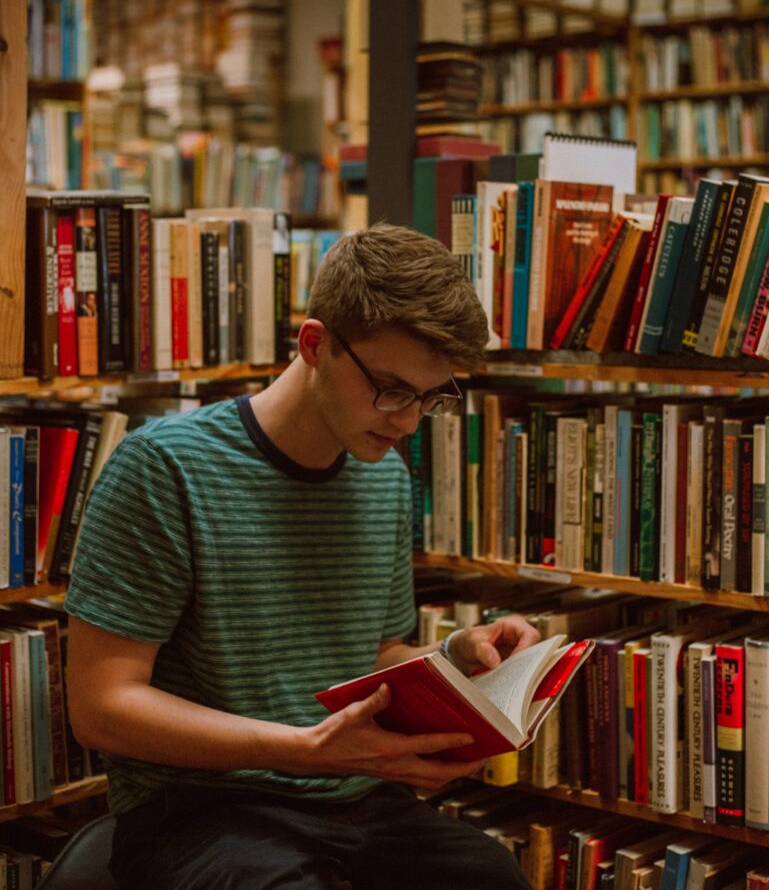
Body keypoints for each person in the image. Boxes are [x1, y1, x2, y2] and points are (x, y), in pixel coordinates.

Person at [66, 222, 540, 890]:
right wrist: (302, 750)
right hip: (201, 809)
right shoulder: (164, 467)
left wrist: (458, 658)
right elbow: (100, 706)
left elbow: (374, 656)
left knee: (495, 878)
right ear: (313, 344)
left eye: (431, 397)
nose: (407, 420)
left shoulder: (382, 476)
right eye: (391, 388)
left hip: (354, 797)